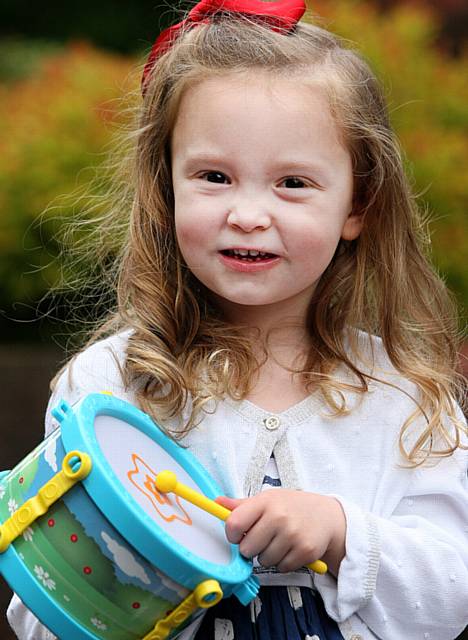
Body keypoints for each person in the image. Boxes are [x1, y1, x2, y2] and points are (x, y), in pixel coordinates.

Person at [7, 0, 468, 638]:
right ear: (166, 186)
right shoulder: (116, 385)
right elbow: (40, 599)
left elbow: (451, 592)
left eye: (294, 184)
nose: (249, 213)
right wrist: (124, 567)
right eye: (215, 176)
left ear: (358, 204)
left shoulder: (407, 398)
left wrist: (341, 532)